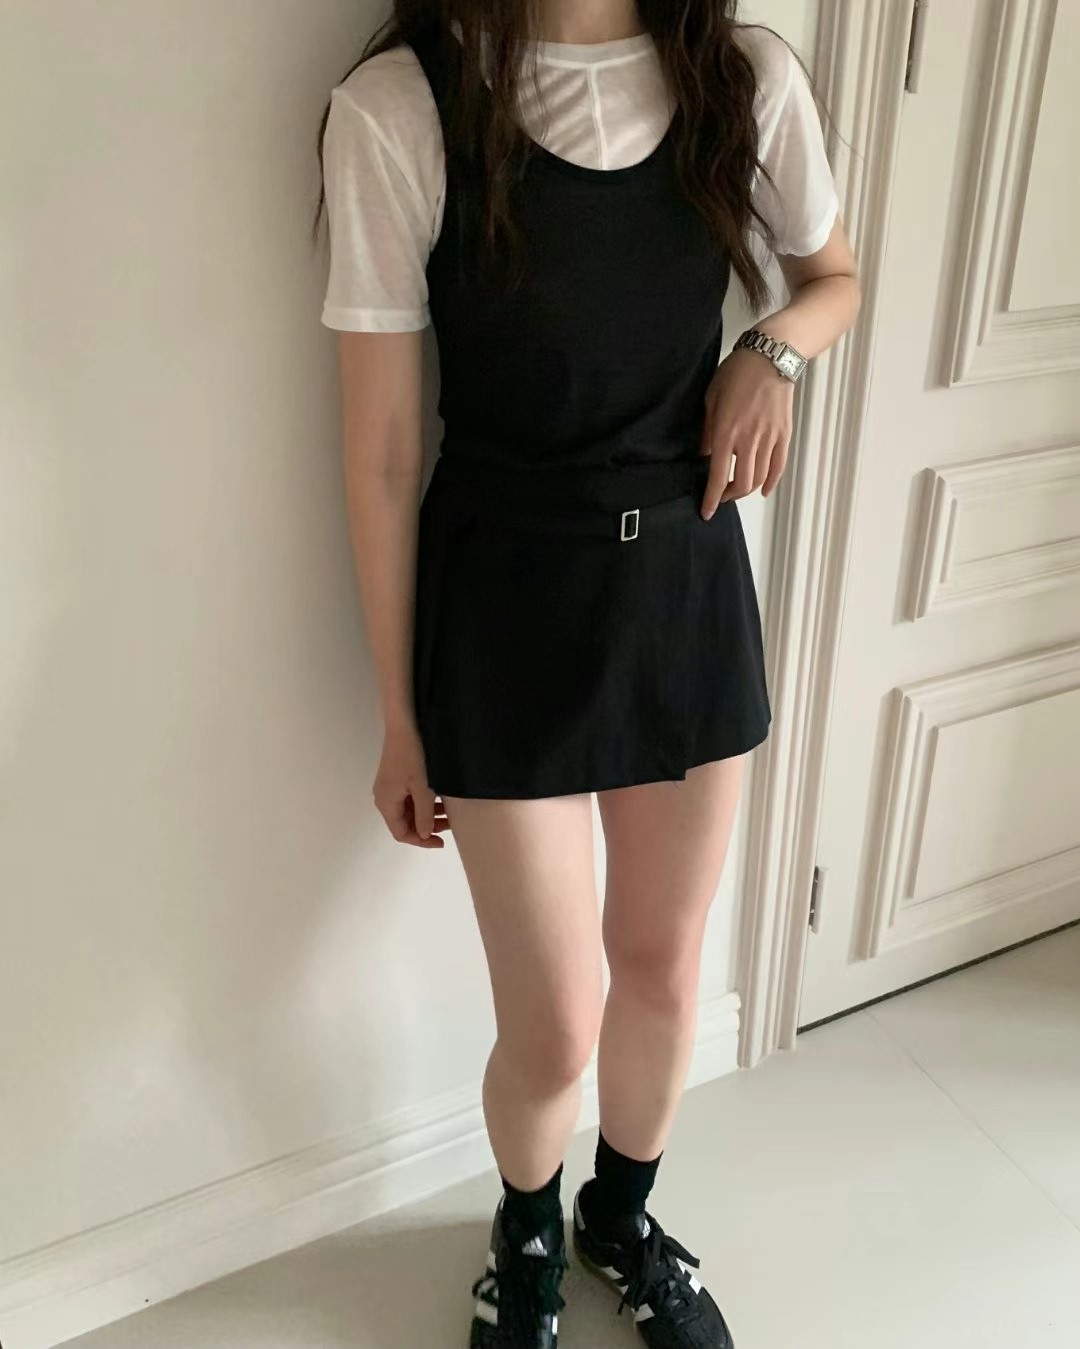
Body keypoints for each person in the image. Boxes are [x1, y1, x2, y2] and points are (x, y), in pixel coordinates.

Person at [319, 1, 860, 1343]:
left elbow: (833, 276)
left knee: (665, 967)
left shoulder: (741, 74)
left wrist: (772, 351)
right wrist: (401, 718)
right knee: (556, 1020)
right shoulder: (402, 108)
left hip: (684, 588)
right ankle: (526, 1234)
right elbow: (383, 451)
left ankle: (621, 1215)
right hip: (504, 606)